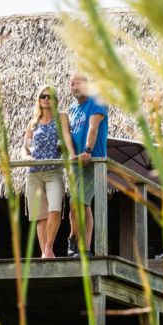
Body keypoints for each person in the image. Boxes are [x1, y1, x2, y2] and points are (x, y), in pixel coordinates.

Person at [22, 85, 75, 258]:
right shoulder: (33, 122)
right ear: (38, 99)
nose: (46, 99)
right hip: (34, 172)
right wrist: (26, 157)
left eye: (50, 97)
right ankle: (46, 253)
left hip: (54, 171)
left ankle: (48, 247)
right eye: (43, 96)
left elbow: (66, 137)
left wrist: (72, 154)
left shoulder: (61, 118)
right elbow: (25, 148)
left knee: (55, 210)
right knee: (40, 215)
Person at [67, 74, 108, 257]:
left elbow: (93, 127)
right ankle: (77, 242)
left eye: (77, 83)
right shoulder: (73, 108)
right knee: (76, 204)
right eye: (71, 84)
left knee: (80, 202)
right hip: (75, 163)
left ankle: (79, 245)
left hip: (92, 161)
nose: (73, 87)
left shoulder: (97, 101)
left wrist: (88, 150)